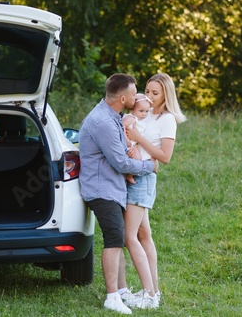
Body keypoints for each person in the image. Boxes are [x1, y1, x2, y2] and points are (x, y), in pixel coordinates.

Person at [79, 73, 157, 314]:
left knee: (119, 238)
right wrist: (149, 166)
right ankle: (112, 296)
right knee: (114, 240)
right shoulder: (102, 122)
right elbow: (121, 163)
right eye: (134, 94)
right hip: (101, 190)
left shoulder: (114, 116)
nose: (138, 97)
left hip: (112, 188)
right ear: (123, 98)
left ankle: (122, 292)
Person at [122, 73, 187, 309]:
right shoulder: (145, 111)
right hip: (136, 174)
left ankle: (149, 294)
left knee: (129, 237)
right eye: (147, 90)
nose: (149, 96)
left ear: (165, 95)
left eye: (155, 93)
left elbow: (165, 157)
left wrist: (138, 139)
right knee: (143, 235)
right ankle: (153, 290)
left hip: (143, 179)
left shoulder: (167, 119)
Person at [122, 93, 153, 184]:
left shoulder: (137, 119)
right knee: (137, 159)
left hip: (132, 143)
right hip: (128, 144)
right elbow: (122, 126)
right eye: (141, 111)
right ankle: (129, 175)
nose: (144, 114)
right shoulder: (131, 118)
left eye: (147, 111)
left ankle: (129, 175)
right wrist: (126, 139)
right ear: (133, 109)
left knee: (137, 158)